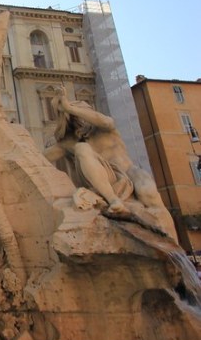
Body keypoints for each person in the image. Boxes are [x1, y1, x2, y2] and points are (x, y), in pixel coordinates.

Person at [45, 86, 175, 237]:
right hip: (107, 181)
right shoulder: (70, 142)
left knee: (148, 192)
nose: (84, 117)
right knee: (81, 148)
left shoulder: (104, 128)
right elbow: (40, 158)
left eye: (85, 111)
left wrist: (69, 107)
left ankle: (169, 236)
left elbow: (105, 121)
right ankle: (114, 201)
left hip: (128, 172)